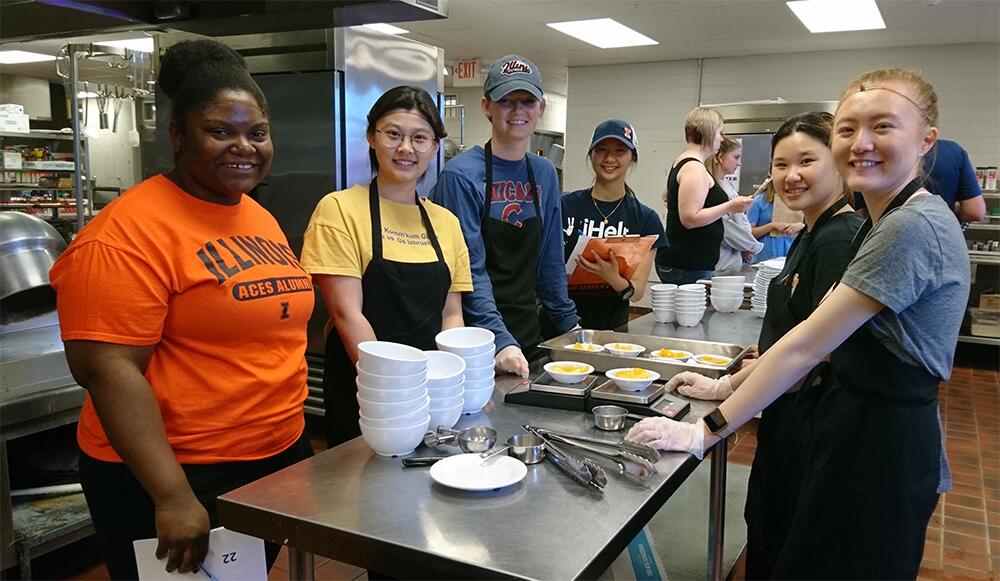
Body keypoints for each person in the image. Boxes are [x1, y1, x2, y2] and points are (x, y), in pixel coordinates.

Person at [628, 68, 970, 578]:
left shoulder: (910, 227)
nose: (862, 143)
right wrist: (727, 384)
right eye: (849, 129)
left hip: (883, 451)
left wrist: (705, 432)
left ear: (925, 140)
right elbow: (814, 342)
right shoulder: (881, 223)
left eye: (883, 127)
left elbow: (806, 348)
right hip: (855, 437)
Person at [49, 40, 314, 579]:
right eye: (220, 131)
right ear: (177, 135)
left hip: (268, 455)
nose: (244, 146)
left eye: (256, 133)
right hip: (179, 473)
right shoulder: (125, 235)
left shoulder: (253, 214)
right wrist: (171, 495)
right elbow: (107, 369)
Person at [665, 112, 863, 579]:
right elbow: (787, 344)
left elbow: (804, 359)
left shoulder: (838, 241)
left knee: (788, 548)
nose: (791, 176)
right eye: (780, 164)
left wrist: (713, 414)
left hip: (811, 434)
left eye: (807, 161)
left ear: (836, 162)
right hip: (785, 424)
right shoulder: (813, 232)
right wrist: (727, 383)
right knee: (768, 533)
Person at [301, 86, 472, 447]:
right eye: (393, 134)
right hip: (366, 389)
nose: (406, 148)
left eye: (419, 138)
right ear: (371, 137)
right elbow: (347, 314)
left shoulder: (446, 223)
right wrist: (396, 394)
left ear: (434, 147)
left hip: (429, 389)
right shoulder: (339, 210)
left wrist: (453, 388)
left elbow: (451, 314)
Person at [433, 55, 579, 377]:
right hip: (475, 341)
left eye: (528, 101)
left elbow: (550, 259)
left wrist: (573, 329)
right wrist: (500, 341)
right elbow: (469, 269)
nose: (518, 111)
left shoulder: (544, 173)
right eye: (506, 101)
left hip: (528, 336)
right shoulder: (461, 175)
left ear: (540, 108)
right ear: (487, 106)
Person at [558, 119, 666, 330]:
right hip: (560, 325)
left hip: (611, 329)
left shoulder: (646, 219)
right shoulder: (565, 207)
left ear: (632, 158)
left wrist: (613, 278)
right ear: (591, 154)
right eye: (601, 150)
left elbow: (637, 291)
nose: (609, 158)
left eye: (620, 151)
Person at [655, 107, 754, 285]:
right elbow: (690, 219)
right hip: (687, 264)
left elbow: (667, 196)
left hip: (687, 261)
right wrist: (731, 206)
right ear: (708, 132)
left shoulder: (682, 161)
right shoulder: (695, 168)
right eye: (719, 132)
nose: (721, 139)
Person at [707, 136, 764, 275]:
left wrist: (745, 246)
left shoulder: (727, 184)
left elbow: (740, 220)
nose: (739, 163)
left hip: (733, 260)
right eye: (736, 157)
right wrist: (752, 246)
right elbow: (724, 228)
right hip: (719, 263)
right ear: (720, 157)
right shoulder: (712, 187)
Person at [923, 138, 986, 223]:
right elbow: (974, 211)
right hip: (942, 229)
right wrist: (950, 208)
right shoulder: (951, 151)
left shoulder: (904, 154)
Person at [746, 181, 804, 262]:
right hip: (766, 253)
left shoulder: (798, 201)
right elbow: (748, 233)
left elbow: (813, 229)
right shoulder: (759, 201)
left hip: (792, 250)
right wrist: (771, 226)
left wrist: (802, 226)